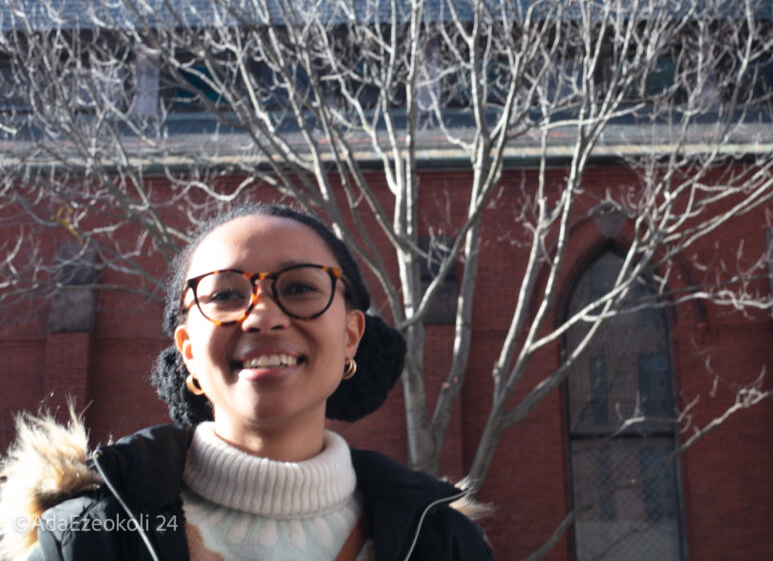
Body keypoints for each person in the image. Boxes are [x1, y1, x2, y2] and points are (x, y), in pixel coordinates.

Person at [0, 204, 492, 561]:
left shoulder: (443, 542)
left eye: (299, 287)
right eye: (225, 294)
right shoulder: (87, 538)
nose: (260, 316)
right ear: (188, 351)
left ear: (349, 337)